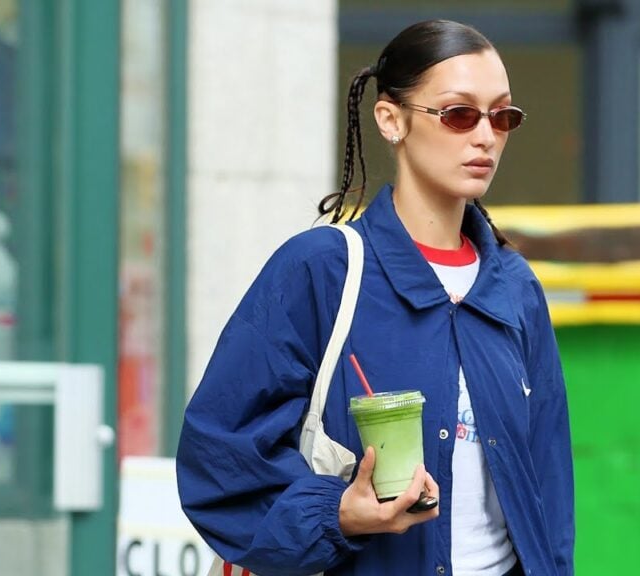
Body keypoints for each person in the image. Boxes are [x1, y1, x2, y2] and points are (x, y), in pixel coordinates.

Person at [177, 19, 574, 576]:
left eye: (502, 116)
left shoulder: (514, 287)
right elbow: (219, 457)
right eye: (459, 114)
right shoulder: (322, 269)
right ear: (391, 119)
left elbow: (549, 489)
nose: (485, 136)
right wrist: (337, 514)